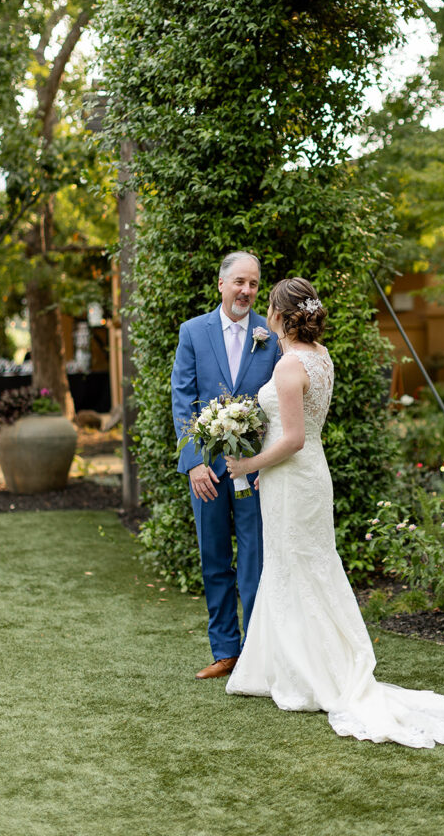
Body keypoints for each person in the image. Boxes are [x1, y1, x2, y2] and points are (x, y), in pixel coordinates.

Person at [224, 278, 444, 747]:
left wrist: (249, 462)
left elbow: (293, 437)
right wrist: (263, 467)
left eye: (270, 305)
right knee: (299, 565)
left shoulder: (291, 364)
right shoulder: (321, 356)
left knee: (298, 565)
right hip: (301, 475)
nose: (267, 313)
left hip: (294, 477)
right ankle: (284, 666)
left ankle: (311, 676)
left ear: (279, 314)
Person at [171, 251, 281, 680]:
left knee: (255, 559)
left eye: (253, 284)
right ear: (221, 284)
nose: (246, 291)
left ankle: (256, 653)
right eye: (239, 282)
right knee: (214, 558)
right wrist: (194, 464)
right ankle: (225, 652)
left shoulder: (270, 337)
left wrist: (263, 462)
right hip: (208, 472)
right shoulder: (193, 332)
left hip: (255, 472)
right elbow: (183, 399)